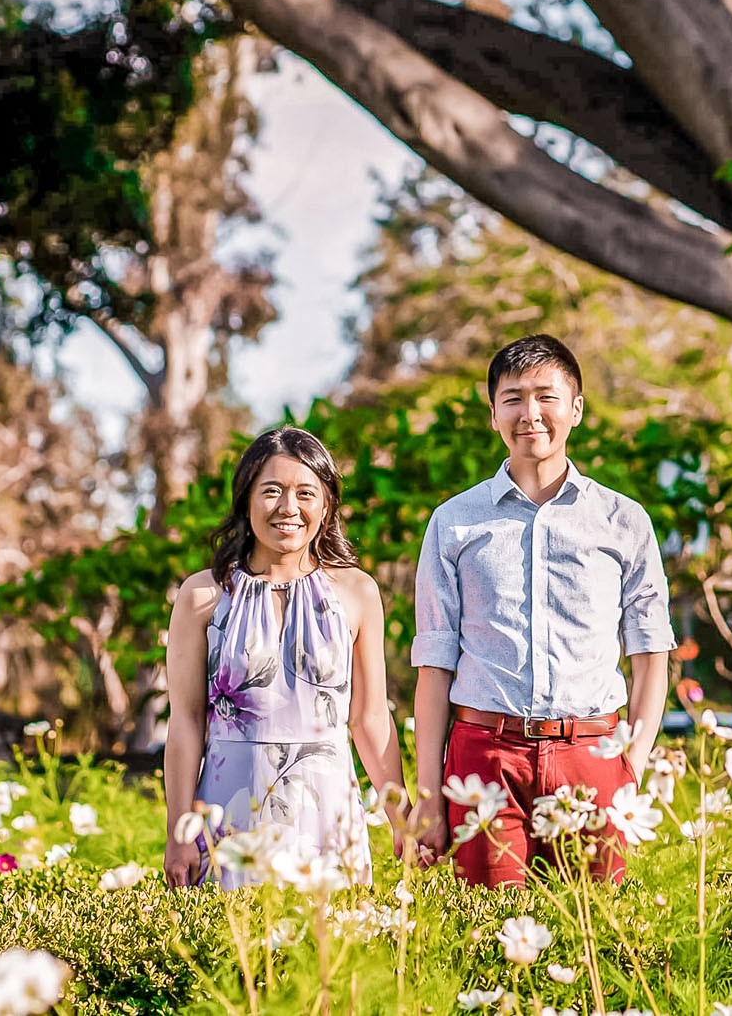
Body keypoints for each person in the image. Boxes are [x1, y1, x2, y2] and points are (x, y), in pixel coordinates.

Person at [411, 334, 673, 886]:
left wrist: (632, 763)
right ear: (493, 415)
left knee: (595, 927)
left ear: (575, 408)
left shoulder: (623, 521)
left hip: (594, 754)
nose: (529, 414)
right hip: (485, 758)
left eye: (545, 397)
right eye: (512, 399)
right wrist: (429, 796)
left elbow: (651, 653)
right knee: (489, 927)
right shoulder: (453, 522)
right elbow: (434, 666)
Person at [162, 426, 406, 888]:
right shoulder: (202, 596)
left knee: (331, 935)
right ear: (245, 501)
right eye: (271, 491)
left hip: (327, 817)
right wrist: (179, 832)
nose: (288, 507)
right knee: (227, 936)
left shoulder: (357, 592)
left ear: (327, 505)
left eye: (306, 493)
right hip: (227, 816)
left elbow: (370, 718)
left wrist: (402, 816)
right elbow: (186, 723)